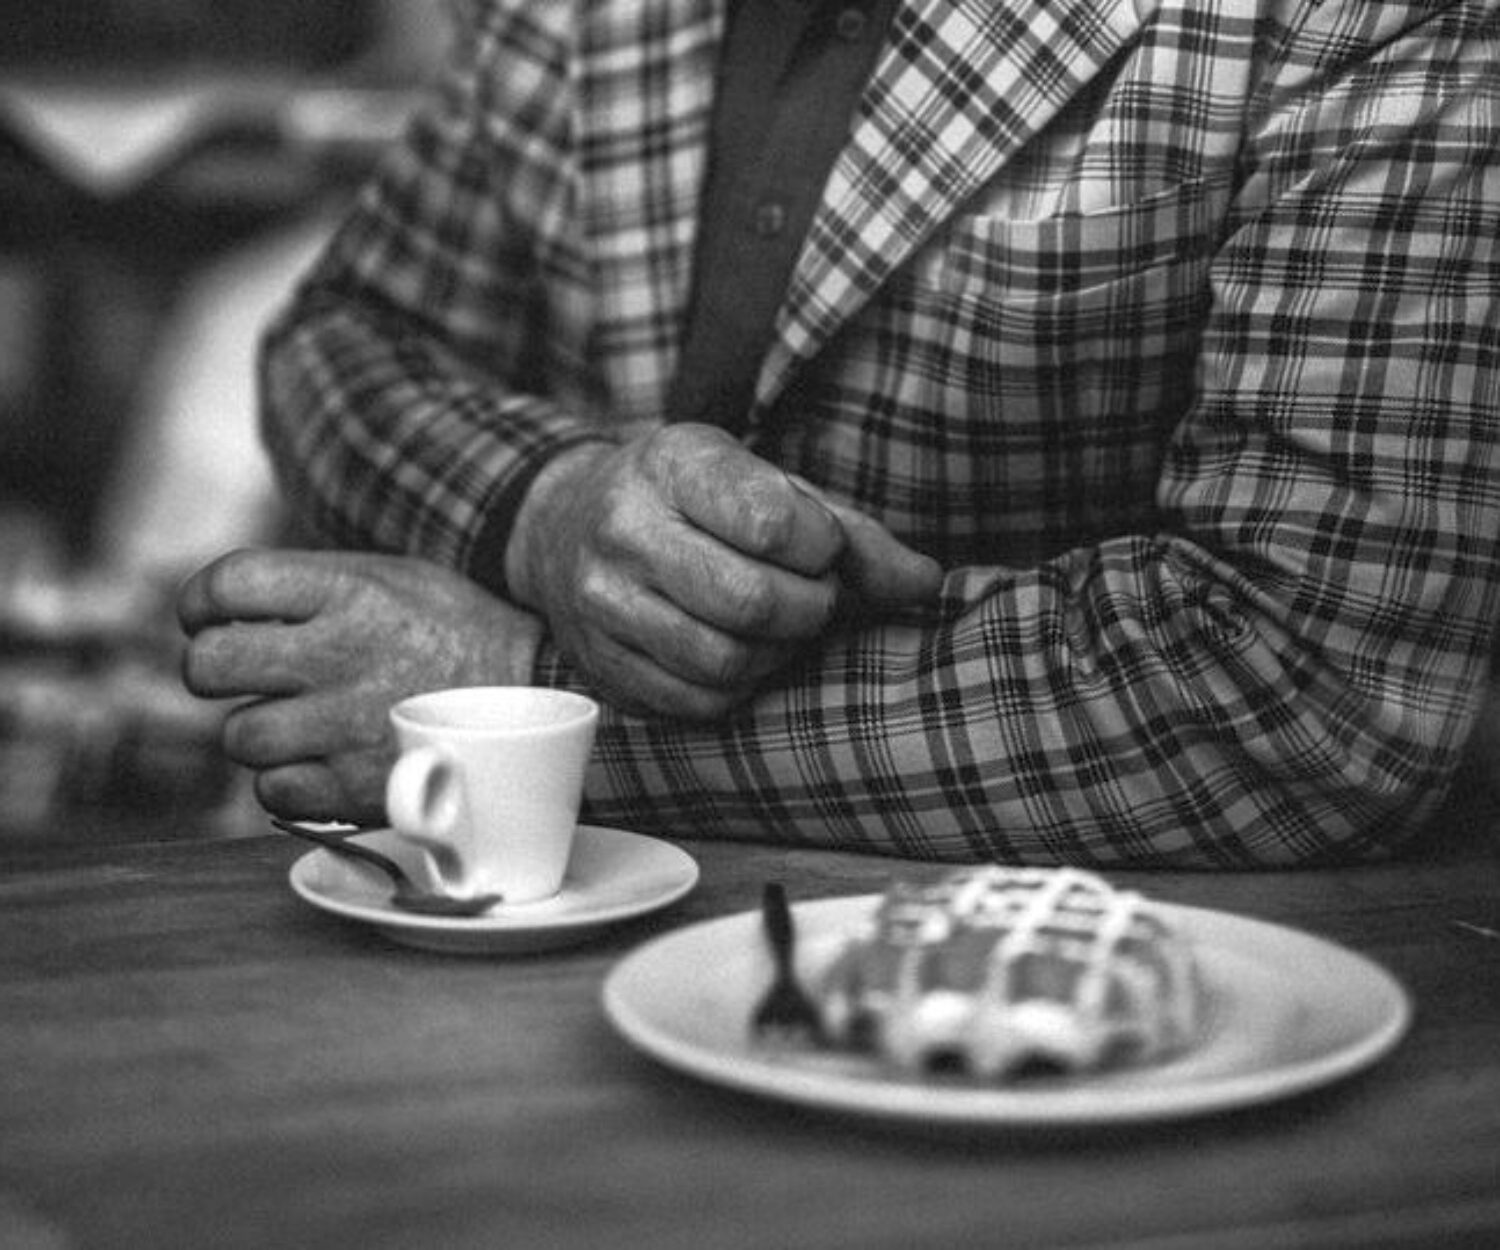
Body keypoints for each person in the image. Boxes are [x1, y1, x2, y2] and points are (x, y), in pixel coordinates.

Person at [177, 0, 1500, 867]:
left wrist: (533, 704)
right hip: (571, 977)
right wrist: (545, 505)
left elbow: (1302, 691)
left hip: (1112, 1011)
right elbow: (354, 335)